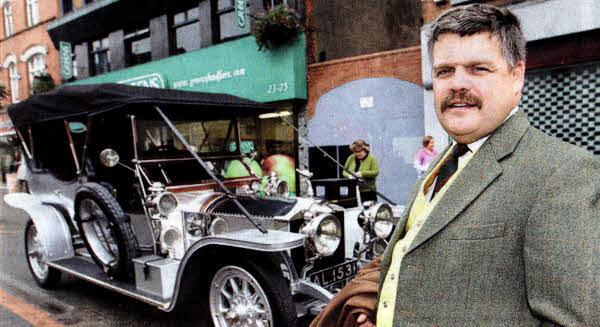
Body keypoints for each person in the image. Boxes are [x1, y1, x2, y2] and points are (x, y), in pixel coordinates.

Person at [313, 4, 600, 327]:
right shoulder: (446, 160)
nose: (456, 84)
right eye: (444, 71)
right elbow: (416, 256)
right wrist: (378, 309)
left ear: (516, 77)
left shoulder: (564, 173)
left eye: (478, 69)